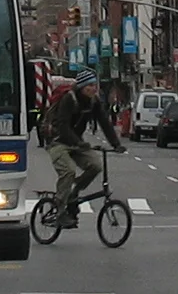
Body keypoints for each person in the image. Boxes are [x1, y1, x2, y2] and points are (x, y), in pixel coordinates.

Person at [45, 69, 125, 229]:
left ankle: (73, 193)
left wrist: (116, 144)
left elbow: (104, 123)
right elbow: (62, 126)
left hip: (77, 143)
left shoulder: (93, 101)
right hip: (58, 141)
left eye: (94, 85)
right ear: (81, 87)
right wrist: (78, 142)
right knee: (68, 171)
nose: (93, 89)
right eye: (89, 86)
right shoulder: (69, 99)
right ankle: (60, 212)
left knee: (95, 166)